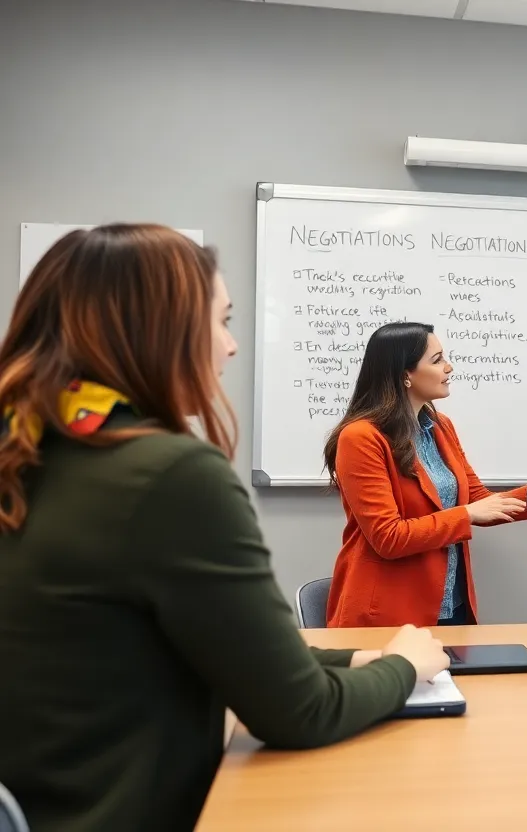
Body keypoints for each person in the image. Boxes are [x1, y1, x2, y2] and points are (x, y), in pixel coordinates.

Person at [0, 225, 450, 832]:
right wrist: (404, 667)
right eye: (221, 321)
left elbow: (213, 651)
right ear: (159, 331)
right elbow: (300, 713)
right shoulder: (168, 474)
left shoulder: (29, 446)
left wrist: (356, 658)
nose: (231, 347)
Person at [324, 322, 527, 628]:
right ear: (405, 375)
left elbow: (476, 499)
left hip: (452, 604)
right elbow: (388, 537)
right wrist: (466, 515)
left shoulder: (440, 427)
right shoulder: (360, 437)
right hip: (390, 612)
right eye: (437, 360)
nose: (449, 367)